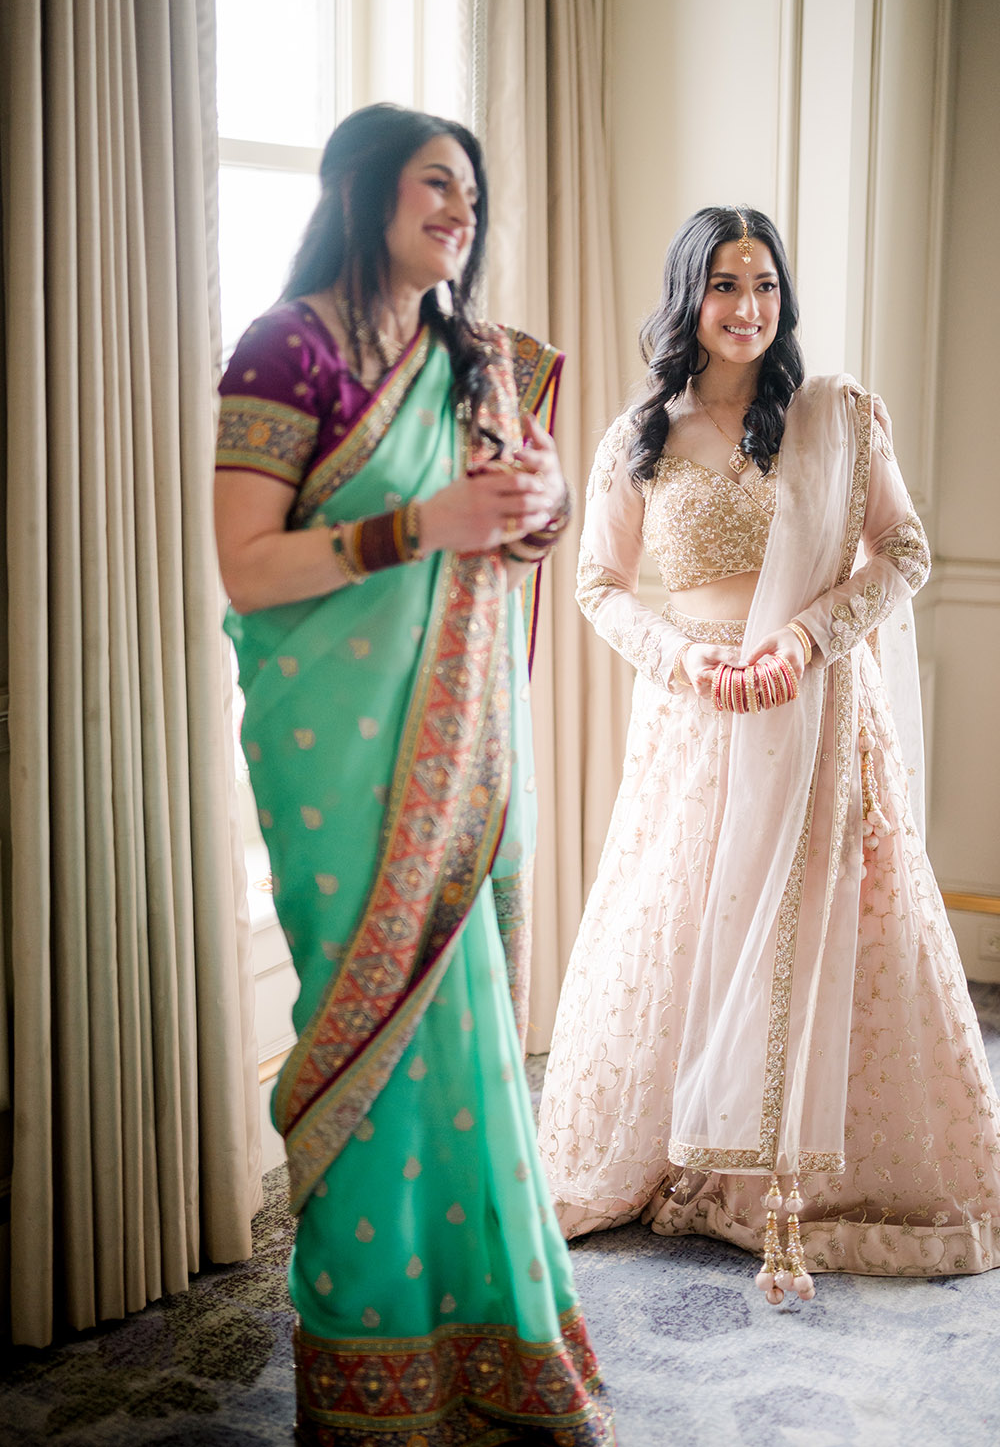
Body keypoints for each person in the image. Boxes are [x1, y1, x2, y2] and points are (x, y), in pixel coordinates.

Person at [215, 103, 614, 1445]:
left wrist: (541, 508)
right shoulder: (285, 350)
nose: (461, 210)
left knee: (470, 1031)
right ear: (362, 189)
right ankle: (372, 1351)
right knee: (368, 1033)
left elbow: (513, 530)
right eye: (438, 183)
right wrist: (417, 524)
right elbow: (246, 567)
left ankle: (492, 1339)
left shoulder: (476, 359)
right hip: (339, 755)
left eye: (473, 194)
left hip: (465, 752)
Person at [537, 205, 1000, 1300]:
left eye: (765, 286)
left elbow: (906, 553)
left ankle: (802, 1164)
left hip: (818, 708)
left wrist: (804, 637)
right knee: (689, 918)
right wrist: (684, 661)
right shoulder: (640, 436)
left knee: (831, 918)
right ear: (688, 297)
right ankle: (681, 1144)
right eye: (725, 285)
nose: (747, 308)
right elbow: (598, 585)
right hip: (698, 719)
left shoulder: (835, 417)